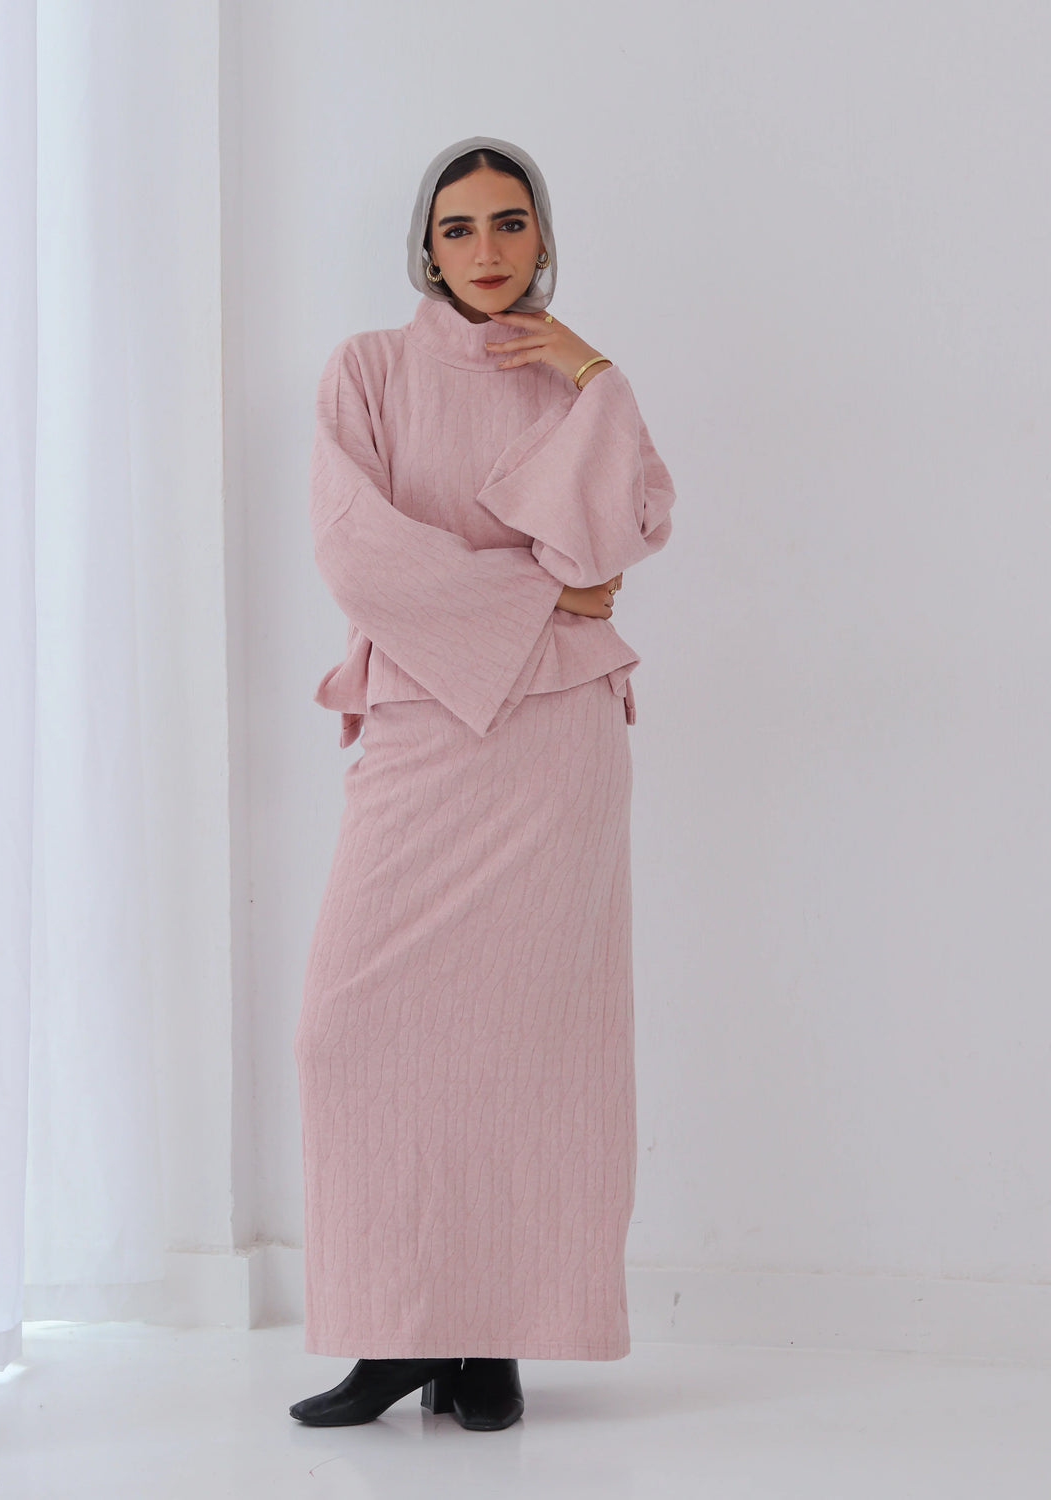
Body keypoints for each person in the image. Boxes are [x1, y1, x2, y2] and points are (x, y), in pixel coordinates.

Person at [290, 135, 676, 1432]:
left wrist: (599, 376)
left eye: (511, 223)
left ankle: (493, 1339)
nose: (488, 249)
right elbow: (358, 553)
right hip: (419, 724)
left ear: (542, 234)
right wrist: (538, 596)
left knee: (530, 1049)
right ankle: (398, 1330)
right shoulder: (368, 371)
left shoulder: (576, 383)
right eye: (458, 229)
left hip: (557, 743)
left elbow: (618, 539)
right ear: (425, 245)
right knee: (349, 1028)